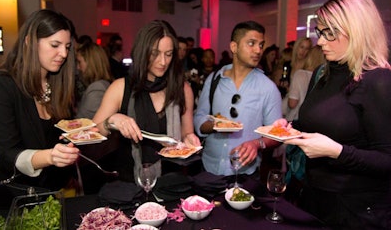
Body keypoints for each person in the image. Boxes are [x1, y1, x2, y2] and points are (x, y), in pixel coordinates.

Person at [275, 0, 391, 229]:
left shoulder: (378, 80)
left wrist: (337, 152)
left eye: (330, 33)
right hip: (314, 195)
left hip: (356, 208)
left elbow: (387, 159)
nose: (320, 42)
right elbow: (318, 126)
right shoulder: (322, 73)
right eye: (320, 32)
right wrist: (290, 129)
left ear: (358, 32)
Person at [93, 20, 201, 182]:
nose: (163, 61)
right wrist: (111, 120)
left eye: (169, 54)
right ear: (142, 52)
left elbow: (187, 132)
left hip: (172, 182)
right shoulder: (121, 88)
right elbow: (91, 134)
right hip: (129, 184)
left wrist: (189, 138)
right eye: (155, 53)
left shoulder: (182, 88)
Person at [0, 9, 80, 206]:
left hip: (56, 195)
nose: (64, 54)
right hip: (17, 200)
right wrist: (51, 156)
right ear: (30, 41)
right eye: (55, 45)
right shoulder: (1, 86)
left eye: (67, 47)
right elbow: (8, 153)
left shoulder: (58, 85)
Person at [194, 21, 282, 177]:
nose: (258, 50)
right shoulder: (214, 79)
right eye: (251, 43)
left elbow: (277, 135)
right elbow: (199, 117)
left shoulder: (268, 87)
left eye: (261, 45)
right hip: (209, 167)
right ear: (234, 47)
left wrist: (257, 144)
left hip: (245, 171)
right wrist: (215, 125)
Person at [282, 45, 325, 121]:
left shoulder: (300, 74)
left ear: (310, 57)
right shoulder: (324, 76)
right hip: (314, 120)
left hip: (296, 119)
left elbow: (292, 103)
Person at [75, 42, 113, 119]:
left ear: (90, 63)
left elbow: (85, 122)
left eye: (79, 62)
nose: (78, 67)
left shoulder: (97, 88)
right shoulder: (102, 84)